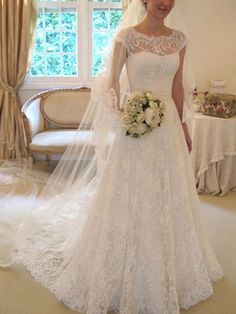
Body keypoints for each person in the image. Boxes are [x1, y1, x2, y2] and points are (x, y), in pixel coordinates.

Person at [0, 0, 223, 313]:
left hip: (168, 126)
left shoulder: (179, 40)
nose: (166, 3)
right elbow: (109, 85)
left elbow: (177, 90)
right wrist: (124, 110)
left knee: (168, 190)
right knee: (130, 191)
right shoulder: (126, 38)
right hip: (134, 128)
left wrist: (185, 127)